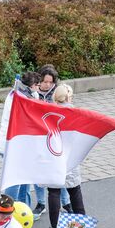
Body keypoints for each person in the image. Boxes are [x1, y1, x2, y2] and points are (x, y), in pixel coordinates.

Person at [0, 72, 40, 216]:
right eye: (37, 85)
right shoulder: (17, 98)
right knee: (14, 179)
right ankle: (7, 210)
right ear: (31, 86)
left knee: (24, 178)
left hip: (22, 146)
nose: (39, 88)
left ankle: (23, 209)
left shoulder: (31, 96)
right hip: (11, 145)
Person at [33, 64, 72, 219]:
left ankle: (66, 202)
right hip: (39, 139)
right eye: (45, 82)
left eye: (51, 82)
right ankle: (41, 203)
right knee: (39, 174)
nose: (48, 85)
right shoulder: (34, 94)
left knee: (58, 174)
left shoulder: (57, 93)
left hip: (54, 140)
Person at [48, 84, 87, 228]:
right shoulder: (76, 112)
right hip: (71, 156)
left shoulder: (50, 112)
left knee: (54, 191)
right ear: (69, 96)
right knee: (74, 190)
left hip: (54, 155)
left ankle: (55, 225)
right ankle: (80, 225)